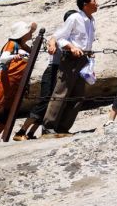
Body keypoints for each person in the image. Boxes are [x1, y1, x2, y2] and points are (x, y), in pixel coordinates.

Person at [41, 0, 98, 138]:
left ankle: (63, 128)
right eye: (94, 1)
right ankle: (48, 127)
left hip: (84, 60)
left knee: (78, 95)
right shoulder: (74, 18)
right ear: (85, 4)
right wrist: (72, 47)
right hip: (71, 59)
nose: (97, 3)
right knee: (61, 92)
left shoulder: (92, 20)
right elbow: (60, 38)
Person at [13, 10, 75, 140]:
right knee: (45, 101)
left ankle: (31, 133)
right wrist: (52, 45)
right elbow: (52, 42)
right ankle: (21, 132)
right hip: (53, 70)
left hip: (62, 71)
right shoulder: (61, 33)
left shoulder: (73, 36)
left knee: (51, 103)